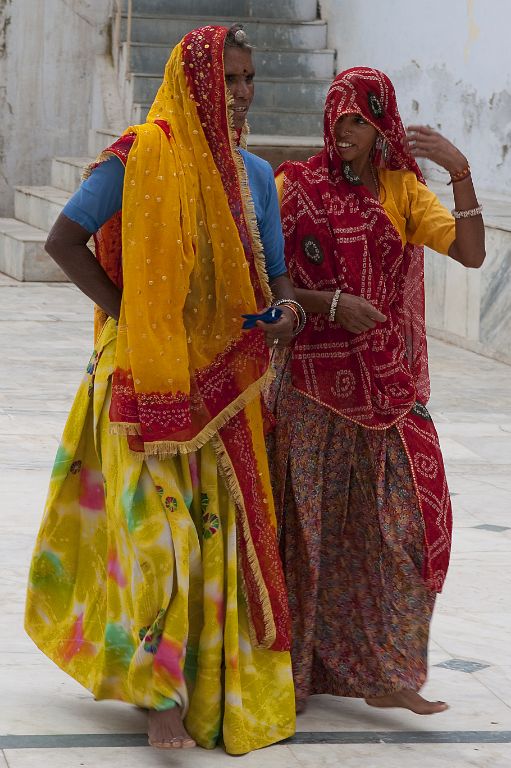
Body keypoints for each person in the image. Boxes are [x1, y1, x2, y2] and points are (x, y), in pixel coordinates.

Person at [24, 24, 304, 754]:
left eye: (249, 81)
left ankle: (201, 682)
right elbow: (62, 240)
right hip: (142, 378)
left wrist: (289, 310)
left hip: (221, 390)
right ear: (194, 82)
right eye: (229, 80)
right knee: (161, 540)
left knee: (213, 540)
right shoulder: (141, 155)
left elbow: (274, 273)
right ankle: (158, 696)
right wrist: (134, 318)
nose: (240, 95)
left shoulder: (253, 176)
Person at [268, 67, 485, 717]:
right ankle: (294, 672)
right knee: (304, 536)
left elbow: (471, 254)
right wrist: (330, 303)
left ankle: (386, 669)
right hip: (309, 385)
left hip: (385, 389)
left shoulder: (402, 193)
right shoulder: (294, 187)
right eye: (336, 118)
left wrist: (461, 171)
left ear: (380, 123)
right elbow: (265, 278)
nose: (344, 131)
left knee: (401, 532)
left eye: (358, 119)